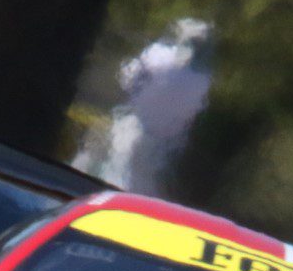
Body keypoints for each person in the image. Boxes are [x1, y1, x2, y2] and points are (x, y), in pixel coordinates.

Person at [78, 19, 214, 194]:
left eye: (193, 42)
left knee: (119, 178)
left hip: (143, 140)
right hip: (145, 139)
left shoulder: (165, 61)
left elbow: (129, 81)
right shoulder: (199, 79)